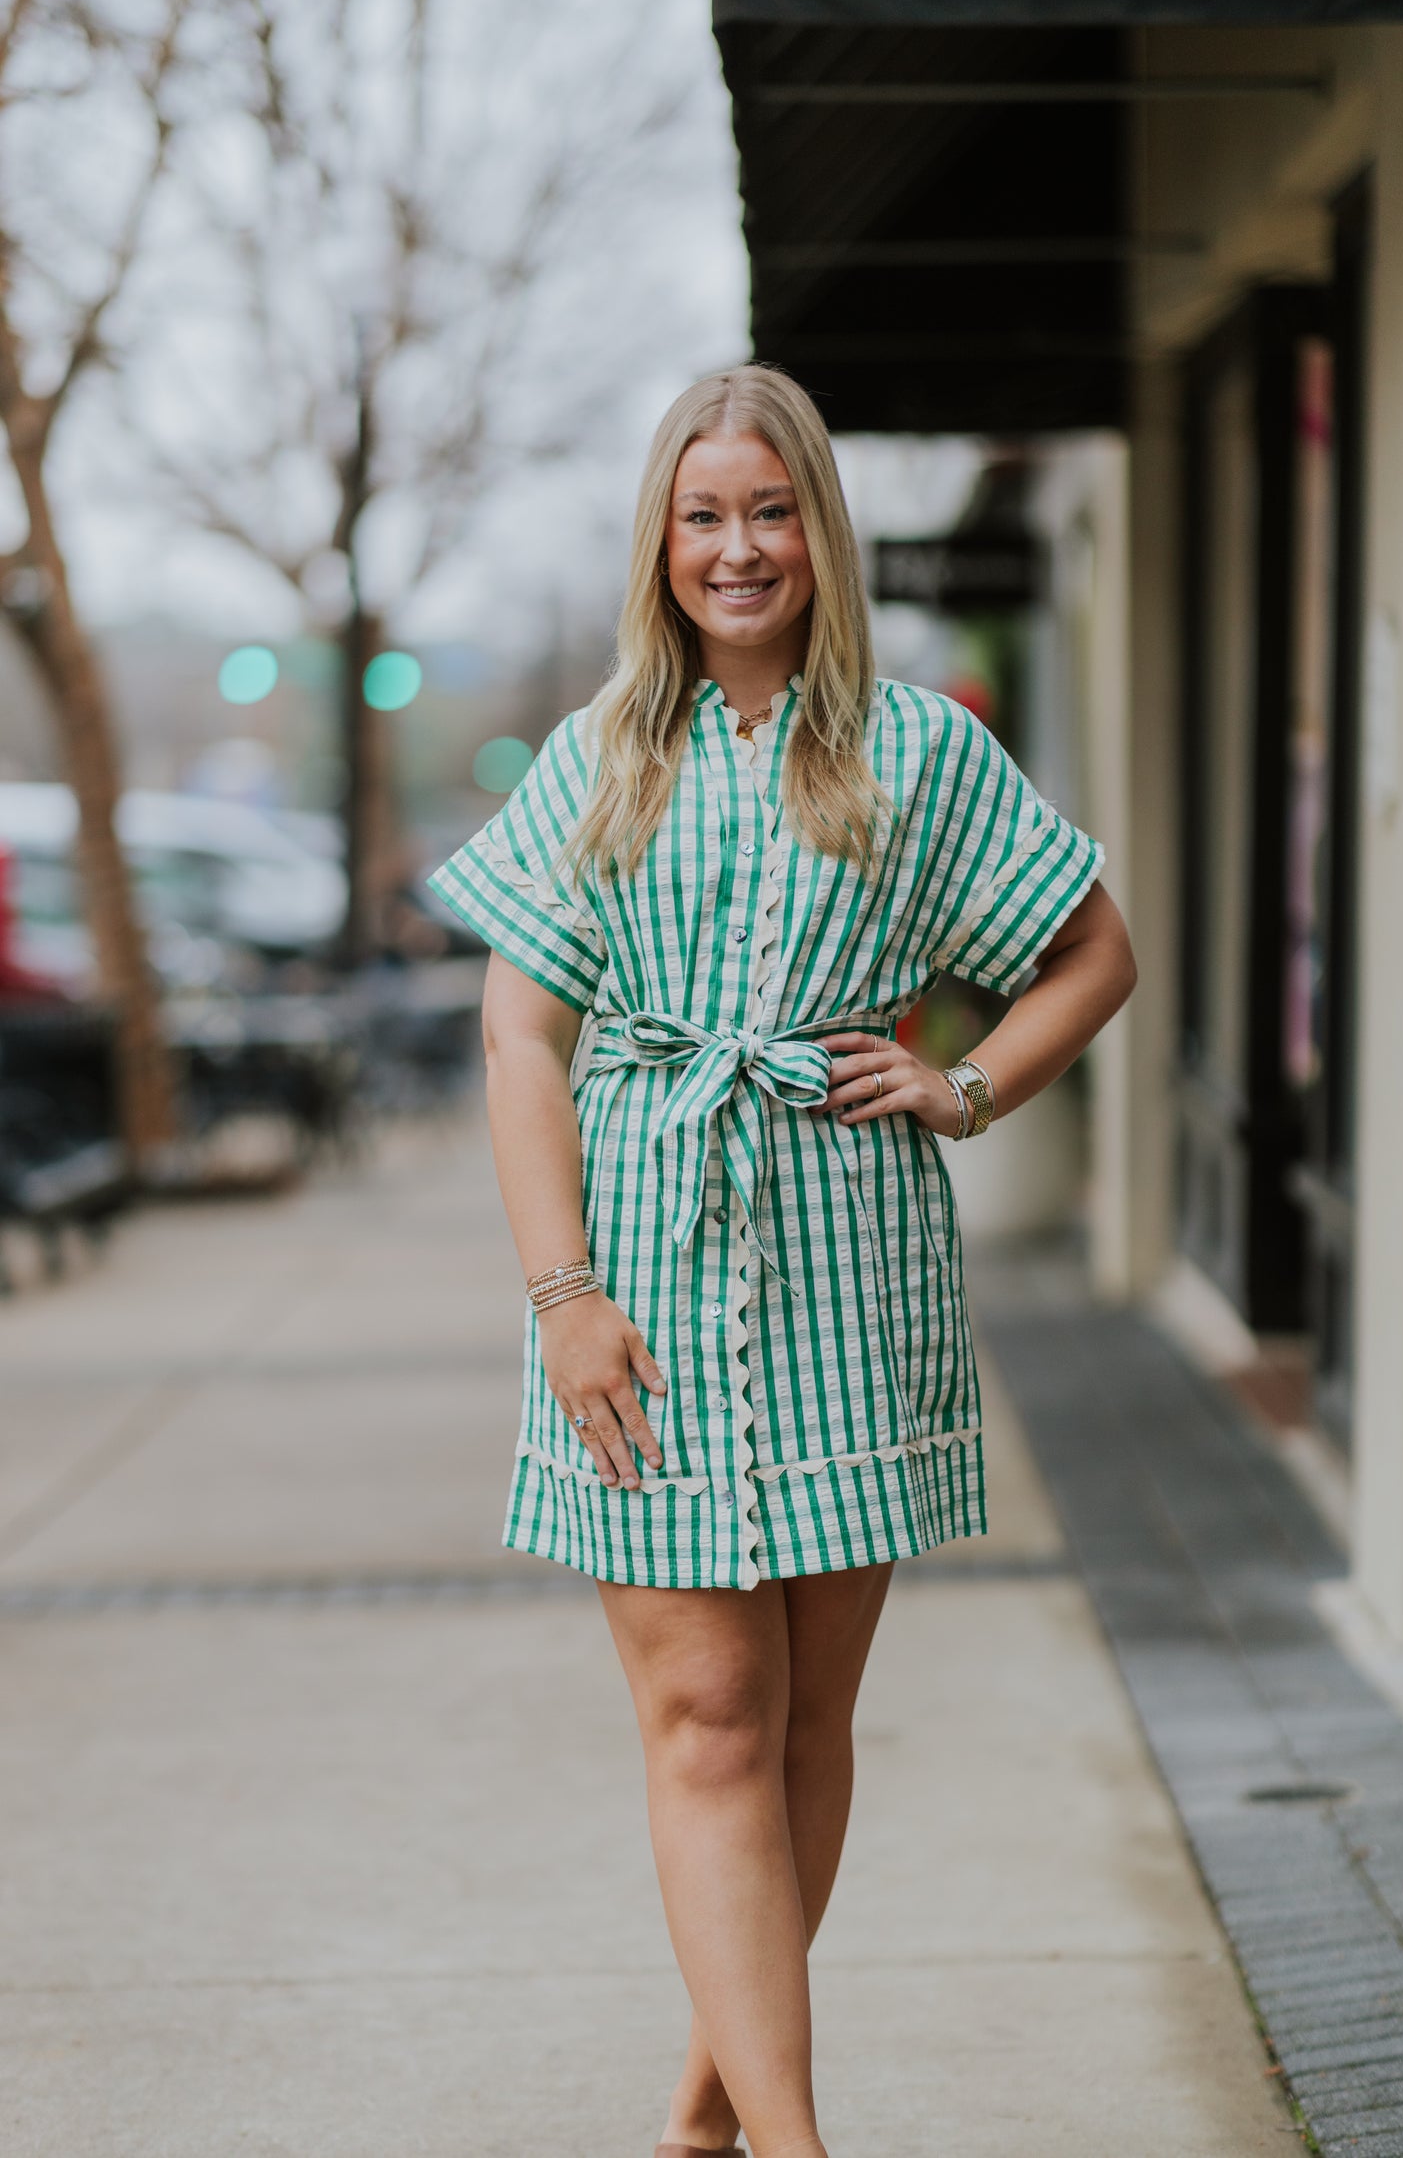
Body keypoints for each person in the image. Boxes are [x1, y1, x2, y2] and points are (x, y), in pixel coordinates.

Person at [427, 363, 1137, 2158]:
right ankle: (793, 2141)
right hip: (641, 1276)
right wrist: (561, 1298)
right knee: (705, 1720)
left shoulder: (919, 753)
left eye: (767, 514)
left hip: (851, 1268)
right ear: (659, 544)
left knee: (807, 1718)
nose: (735, 551)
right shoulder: (603, 755)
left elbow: (1093, 957)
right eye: (701, 517)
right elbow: (521, 1045)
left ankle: (705, 2110)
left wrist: (963, 1085)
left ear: (817, 533)